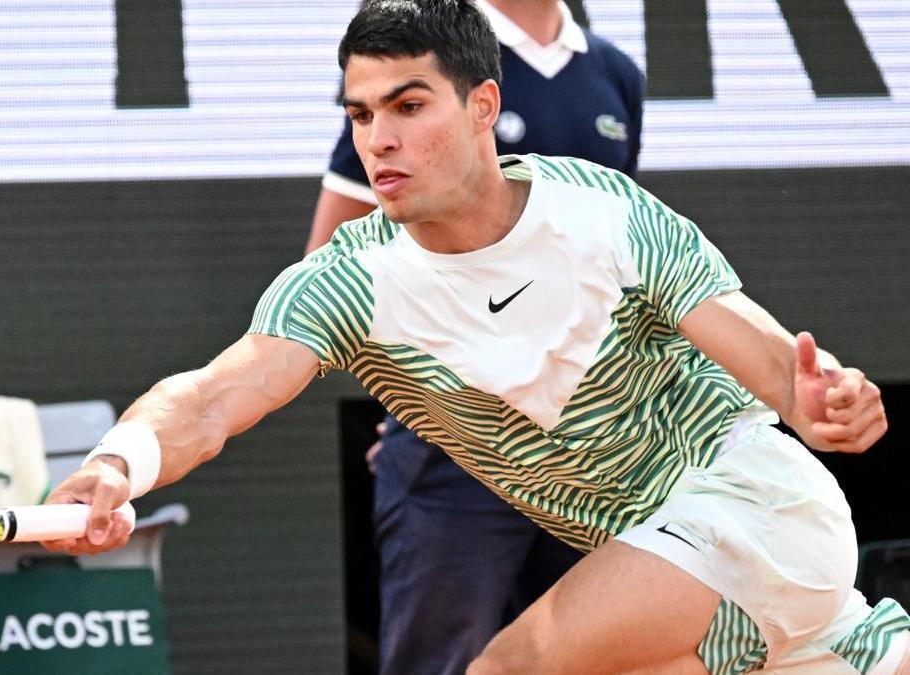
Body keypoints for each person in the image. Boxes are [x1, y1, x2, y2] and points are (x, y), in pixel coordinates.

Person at [44, 1, 910, 672]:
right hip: (692, 569)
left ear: (481, 105)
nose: (379, 138)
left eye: (408, 105)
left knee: (508, 666)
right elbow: (205, 400)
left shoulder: (602, 215)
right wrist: (120, 463)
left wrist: (821, 397)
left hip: (753, 504)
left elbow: (769, 361)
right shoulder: (349, 283)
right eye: (359, 113)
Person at [305, 1, 644, 671]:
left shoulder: (616, 73)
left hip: (592, 449)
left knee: (602, 654)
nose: (384, 127)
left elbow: (619, 260)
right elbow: (330, 269)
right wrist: (418, 398)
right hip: (457, 455)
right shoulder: (421, 60)